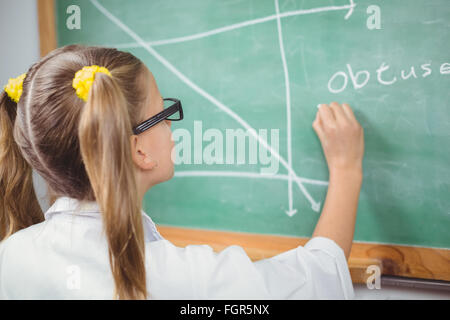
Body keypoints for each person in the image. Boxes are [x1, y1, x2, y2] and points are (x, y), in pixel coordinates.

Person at [0, 45, 364, 299]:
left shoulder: (10, 258)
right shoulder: (189, 280)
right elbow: (319, 279)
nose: (173, 127)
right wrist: (347, 169)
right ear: (139, 149)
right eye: (163, 115)